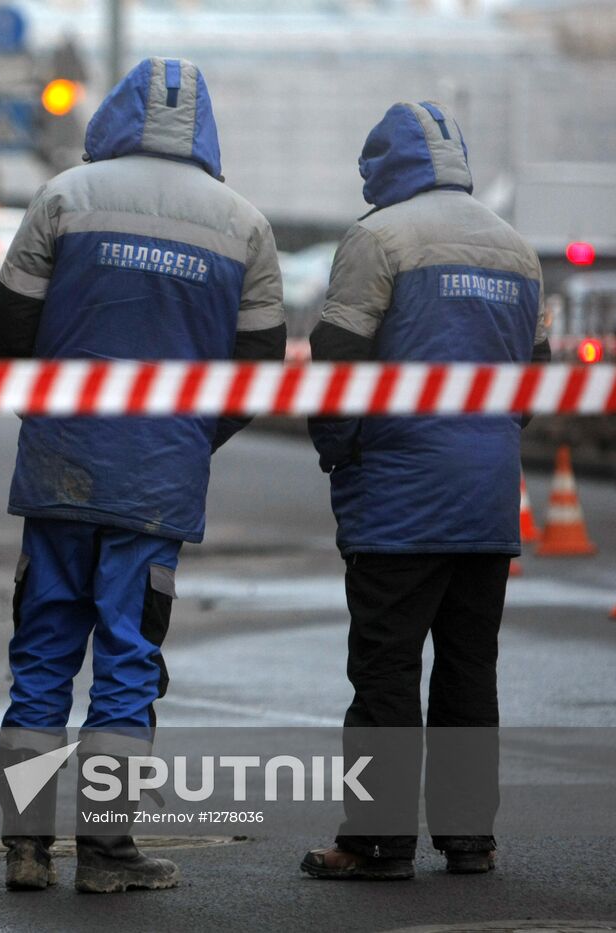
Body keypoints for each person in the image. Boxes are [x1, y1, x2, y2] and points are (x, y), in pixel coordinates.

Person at [0, 57, 286, 894]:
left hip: (60, 465)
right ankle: (108, 854)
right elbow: (259, 365)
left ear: (115, 113)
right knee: (126, 655)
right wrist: (191, 436)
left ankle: (26, 848)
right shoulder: (244, 225)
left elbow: (6, 325)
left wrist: (48, 414)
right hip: (158, 478)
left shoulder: (64, 197)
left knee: (41, 648)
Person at [300, 101, 549, 880]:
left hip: (400, 495)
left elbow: (337, 362)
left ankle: (377, 841)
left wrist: (341, 452)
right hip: (486, 493)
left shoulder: (378, 238)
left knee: (386, 669)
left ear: (383, 166)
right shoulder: (517, 250)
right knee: (470, 668)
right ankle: (470, 838)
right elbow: (531, 381)